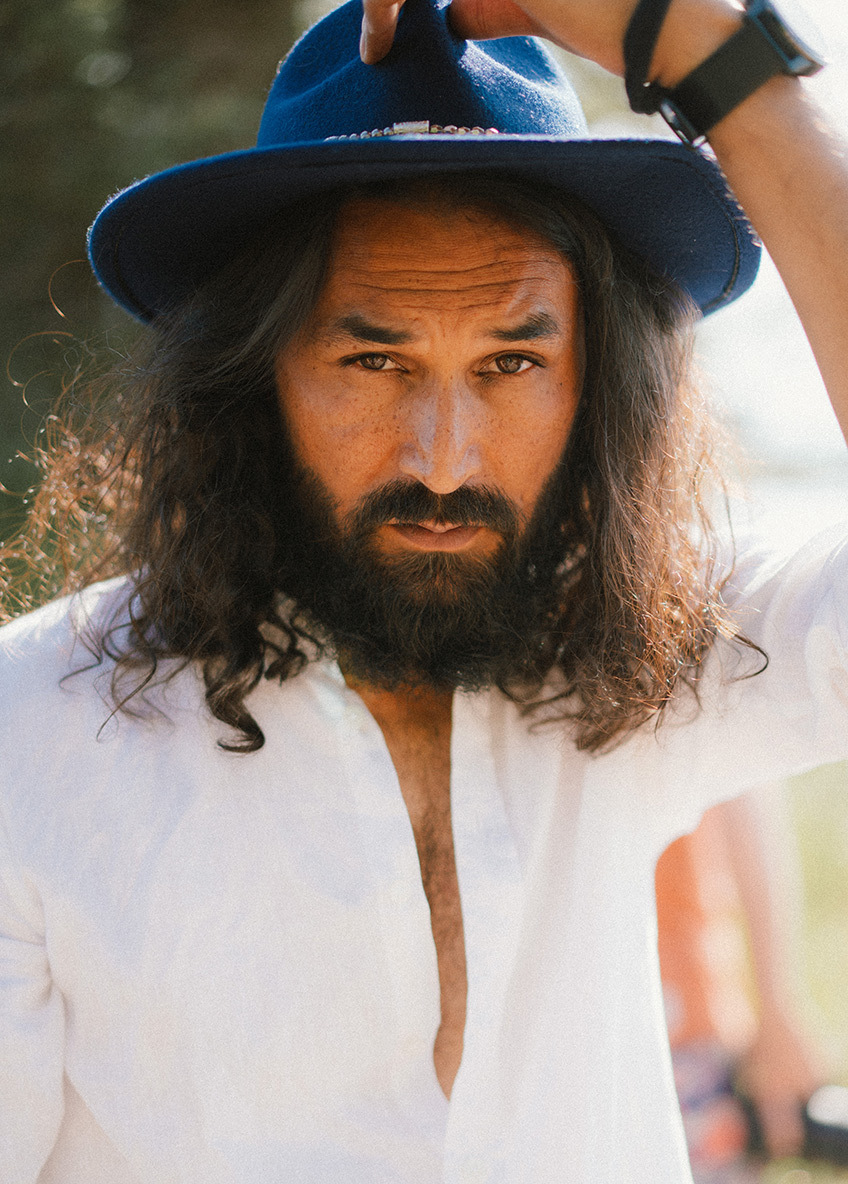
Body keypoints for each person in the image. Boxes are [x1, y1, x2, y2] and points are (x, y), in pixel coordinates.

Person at [2, 0, 848, 1181]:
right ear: (251, 376)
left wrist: (717, 60)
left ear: (597, 385)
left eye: (510, 361)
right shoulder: (29, 734)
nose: (443, 458)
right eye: (373, 359)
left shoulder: (656, 649)